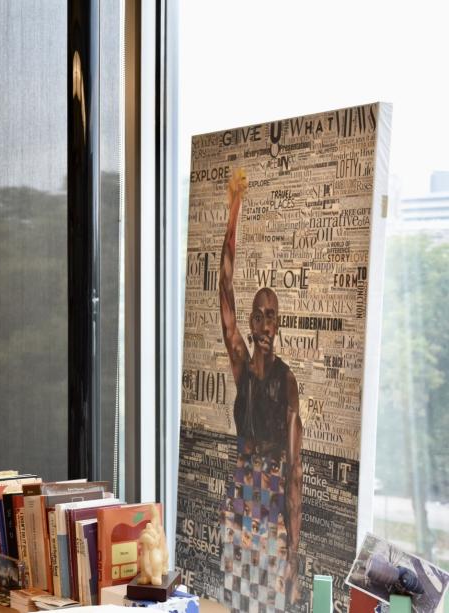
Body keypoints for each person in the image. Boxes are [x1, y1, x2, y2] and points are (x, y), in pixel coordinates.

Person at [218, 168, 303, 612]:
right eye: (259, 315)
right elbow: (225, 293)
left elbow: (294, 473)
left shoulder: (286, 381)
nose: (265, 322)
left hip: (270, 509)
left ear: (278, 324)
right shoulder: (242, 369)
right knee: (233, 598)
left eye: (272, 315)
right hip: (240, 498)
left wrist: (294, 555)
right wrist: (235, 207)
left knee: (268, 603)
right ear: (251, 326)